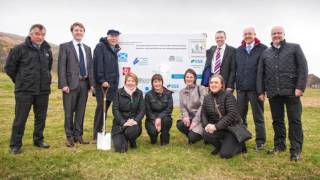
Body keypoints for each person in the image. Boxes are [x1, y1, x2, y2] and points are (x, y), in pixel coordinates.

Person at [257, 26, 308, 161]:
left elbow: (303, 68)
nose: (276, 35)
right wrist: (261, 91)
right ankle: (280, 145)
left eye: (279, 33)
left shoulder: (294, 48)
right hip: (274, 92)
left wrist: (300, 87)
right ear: (271, 35)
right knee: (277, 121)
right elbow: (260, 73)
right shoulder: (266, 53)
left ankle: (296, 149)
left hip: (292, 91)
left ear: (284, 34)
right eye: (274, 33)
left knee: (294, 121)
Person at [5, 24, 53, 154]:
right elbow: (9, 68)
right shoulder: (19, 49)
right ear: (30, 34)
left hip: (42, 91)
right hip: (24, 91)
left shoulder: (47, 50)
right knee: (20, 118)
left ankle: (38, 140)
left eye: (43, 34)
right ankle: (15, 145)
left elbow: (48, 68)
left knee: (41, 118)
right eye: (37, 34)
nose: (40, 37)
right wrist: (20, 81)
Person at [58, 22, 94, 147]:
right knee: (69, 112)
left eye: (81, 30)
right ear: (72, 32)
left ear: (84, 32)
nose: (78, 32)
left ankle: (78, 135)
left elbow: (90, 68)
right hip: (70, 85)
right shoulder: (65, 47)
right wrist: (63, 84)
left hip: (84, 84)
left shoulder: (88, 49)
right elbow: (61, 66)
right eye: (76, 30)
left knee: (81, 111)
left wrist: (92, 84)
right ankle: (69, 137)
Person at [235, 27, 267, 151]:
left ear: (255, 34)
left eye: (250, 33)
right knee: (240, 117)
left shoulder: (263, 49)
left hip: (256, 90)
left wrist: (262, 90)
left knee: (258, 116)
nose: (247, 36)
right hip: (241, 89)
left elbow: (265, 71)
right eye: (245, 34)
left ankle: (260, 141)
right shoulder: (239, 50)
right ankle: (242, 139)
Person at [201, 74, 247, 158]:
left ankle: (240, 146)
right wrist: (206, 125)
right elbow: (203, 113)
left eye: (216, 82)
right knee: (205, 133)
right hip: (219, 128)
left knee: (225, 155)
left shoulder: (228, 96)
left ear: (221, 84)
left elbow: (232, 114)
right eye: (211, 82)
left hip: (231, 128)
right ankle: (220, 146)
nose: (213, 85)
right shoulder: (207, 97)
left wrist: (216, 126)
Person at [93, 29, 121, 143]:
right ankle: (97, 134)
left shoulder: (115, 49)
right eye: (111, 36)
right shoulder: (101, 46)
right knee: (101, 109)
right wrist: (102, 80)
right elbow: (97, 64)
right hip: (103, 85)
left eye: (116, 36)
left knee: (111, 109)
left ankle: (110, 131)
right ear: (107, 36)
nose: (114, 38)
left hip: (113, 85)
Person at [112, 72, 145, 152]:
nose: (131, 83)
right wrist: (123, 122)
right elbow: (115, 109)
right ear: (125, 82)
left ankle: (131, 139)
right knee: (121, 149)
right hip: (120, 124)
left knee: (131, 132)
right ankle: (122, 137)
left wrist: (135, 120)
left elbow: (142, 110)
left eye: (133, 81)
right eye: (129, 81)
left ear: (136, 82)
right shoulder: (118, 92)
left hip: (134, 124)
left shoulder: (139, 93)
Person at [176, 68, 207, 144]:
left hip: (200, 119)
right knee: (180, 124)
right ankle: (190, 133)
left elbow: (203, 106)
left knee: (192, 137)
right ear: (184, 78)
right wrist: (186, 116)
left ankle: (203, 136)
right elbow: (182, 107)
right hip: (190, 118)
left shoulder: (201, 89)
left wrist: (195, 121)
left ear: (194, 78)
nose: (189, 79)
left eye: (191, 77)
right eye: (187, 77)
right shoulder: (181, 92)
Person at [145, 74, 173, 145]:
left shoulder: (168, 93)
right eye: (155, 81)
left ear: (162, 82)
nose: (157, 83)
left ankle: (164, 136)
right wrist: (155, 120)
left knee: (166, 120)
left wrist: (159, 118)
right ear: (152, 83)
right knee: (153, 136)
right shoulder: (148, 95)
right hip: (151, 119)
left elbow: (169, 109)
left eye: (159, 81)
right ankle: (153, 136)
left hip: (164, 118)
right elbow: (148, 111)